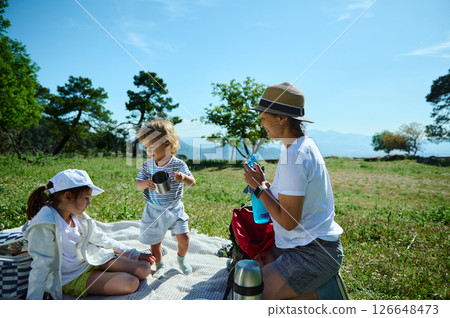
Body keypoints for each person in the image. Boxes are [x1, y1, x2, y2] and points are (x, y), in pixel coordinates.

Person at [243, 82, 344, 300]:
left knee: (248, 294)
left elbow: (289, 221)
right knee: (250, 270)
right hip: (307, 247)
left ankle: (325, 294)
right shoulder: (303, 146)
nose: (260, 123)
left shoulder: (293, 155)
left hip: (311, 254)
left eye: (263, 117)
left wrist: (259, 189)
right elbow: (292, 201)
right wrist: (264, 186)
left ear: (282, 118)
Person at [23, 169, 155, 300]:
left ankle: (114, 269)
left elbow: (101, 239)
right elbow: (41, 266)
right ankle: (108, 273)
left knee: (143, 269)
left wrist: (135, 254)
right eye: (86, 198)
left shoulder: (78, 216)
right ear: (67, 196)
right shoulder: (45, 225)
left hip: (92, 258)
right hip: (73, 276)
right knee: (131, 283)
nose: (89, 204)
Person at [136, 119, 196, 279]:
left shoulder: (178, 164)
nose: (149, 151)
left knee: (184, 238)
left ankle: (181, 259)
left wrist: (183, 177)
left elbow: (192, 183)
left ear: (167, 144)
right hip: (154, 209)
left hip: (174, 208)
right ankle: (160, 265)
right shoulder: (147, 166)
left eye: (152, 147)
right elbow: (137, 185)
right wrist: (145, 183)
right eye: (146, 148)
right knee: (155, 242)